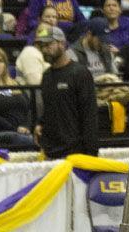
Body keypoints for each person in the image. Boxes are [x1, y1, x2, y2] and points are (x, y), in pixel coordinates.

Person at [34, 26, 99, 158]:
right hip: (51, 151)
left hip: (75, 152)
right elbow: (50, 109)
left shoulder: (80, 73)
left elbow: (89, 115)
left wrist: (91, 153)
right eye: (42, 46)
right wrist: (40, 124)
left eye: (49, 44)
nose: (45, 49)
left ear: (62, 44)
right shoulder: (46, 76)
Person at [15, 9, 57, 85]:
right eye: (42, 33)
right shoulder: (30, 52)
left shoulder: (48, 56)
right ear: (36, 36)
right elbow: (35, 83)